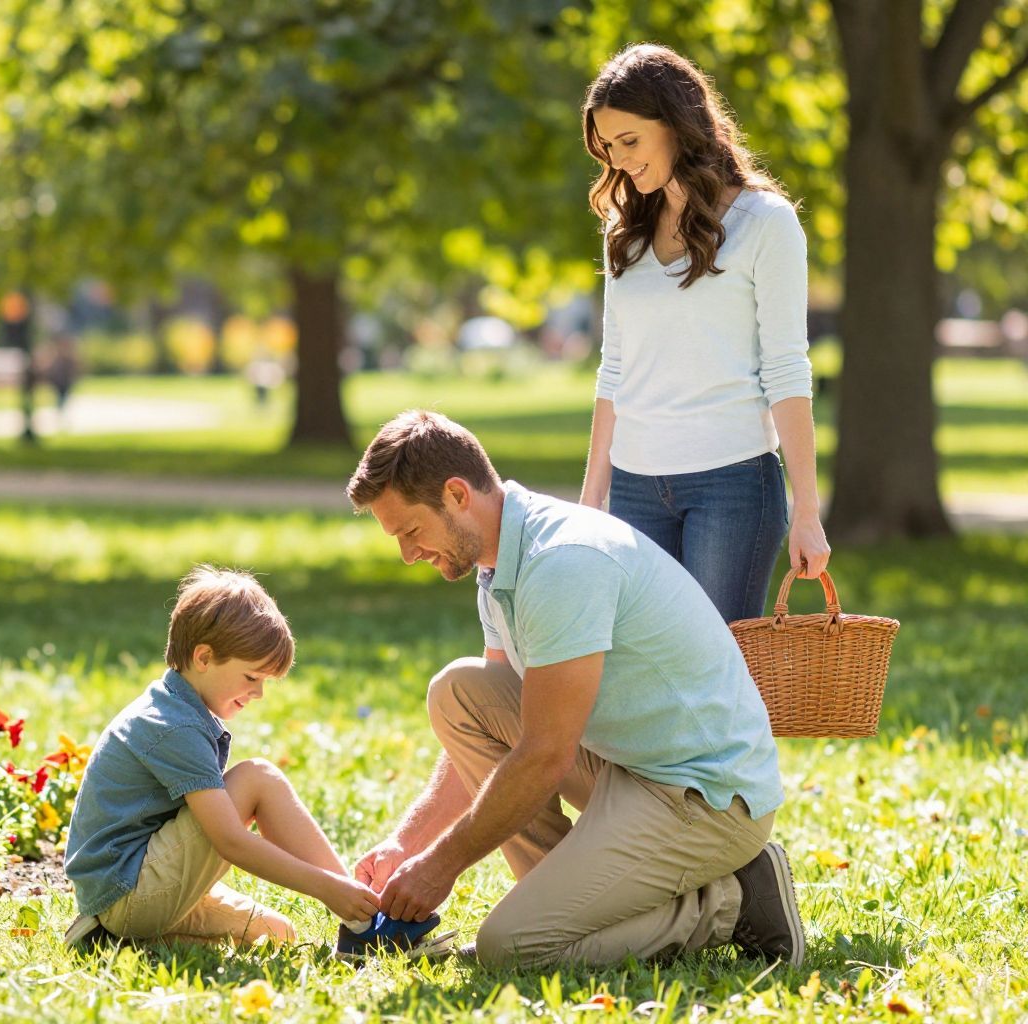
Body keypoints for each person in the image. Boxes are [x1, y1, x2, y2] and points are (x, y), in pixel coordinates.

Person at [347, 410, 804, 969]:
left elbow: (543, 754)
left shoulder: (560, 564)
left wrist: (441, 866)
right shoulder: (499, 564)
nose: (408, 555)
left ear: (457, 495)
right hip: (630, 768)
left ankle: (734, 902)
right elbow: (496, 725)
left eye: (411, 532)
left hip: (704, 801)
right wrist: (406, 844)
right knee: (460, 693)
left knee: (507, 949)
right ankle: (565, 906)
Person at [63, 566, 452, 958]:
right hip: (127, 892)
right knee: (257, 779)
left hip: (126, 898)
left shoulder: (180, 706)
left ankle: (113, 942)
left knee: (276, 933)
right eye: (251, 677)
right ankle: (364, 919)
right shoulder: (172, 725)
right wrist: (326, 887)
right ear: (203, 657)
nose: (259, 693)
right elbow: (231, 842)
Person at [577, 44, 831, 623]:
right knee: (648, 668)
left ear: (676, 122)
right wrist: (594, 497)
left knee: (716, 669)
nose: (620, 162)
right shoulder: (626, 231)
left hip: (733, 484)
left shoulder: (765, 223)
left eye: (630, 142)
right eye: (609, 148)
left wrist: (807, 512)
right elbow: (613, 367)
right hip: (637, 485)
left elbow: (787, 369)